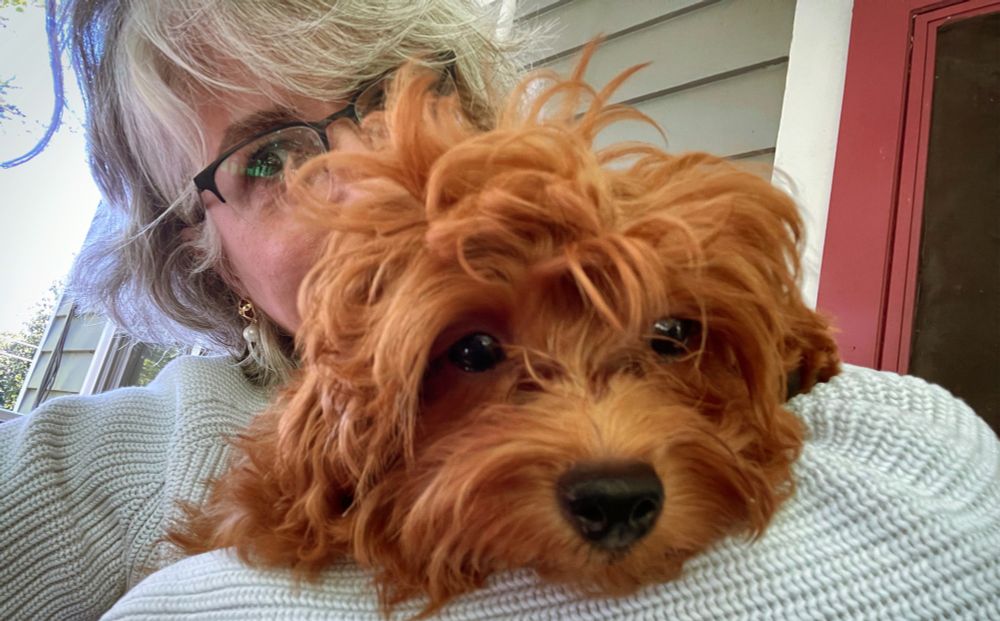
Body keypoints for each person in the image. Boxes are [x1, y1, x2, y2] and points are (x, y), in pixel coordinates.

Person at [0, 1, 997, 619]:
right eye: (268, 159)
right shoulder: (96, 462)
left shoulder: (892, 442)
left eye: (392, 94)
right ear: (208, 263)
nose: (359, 175)